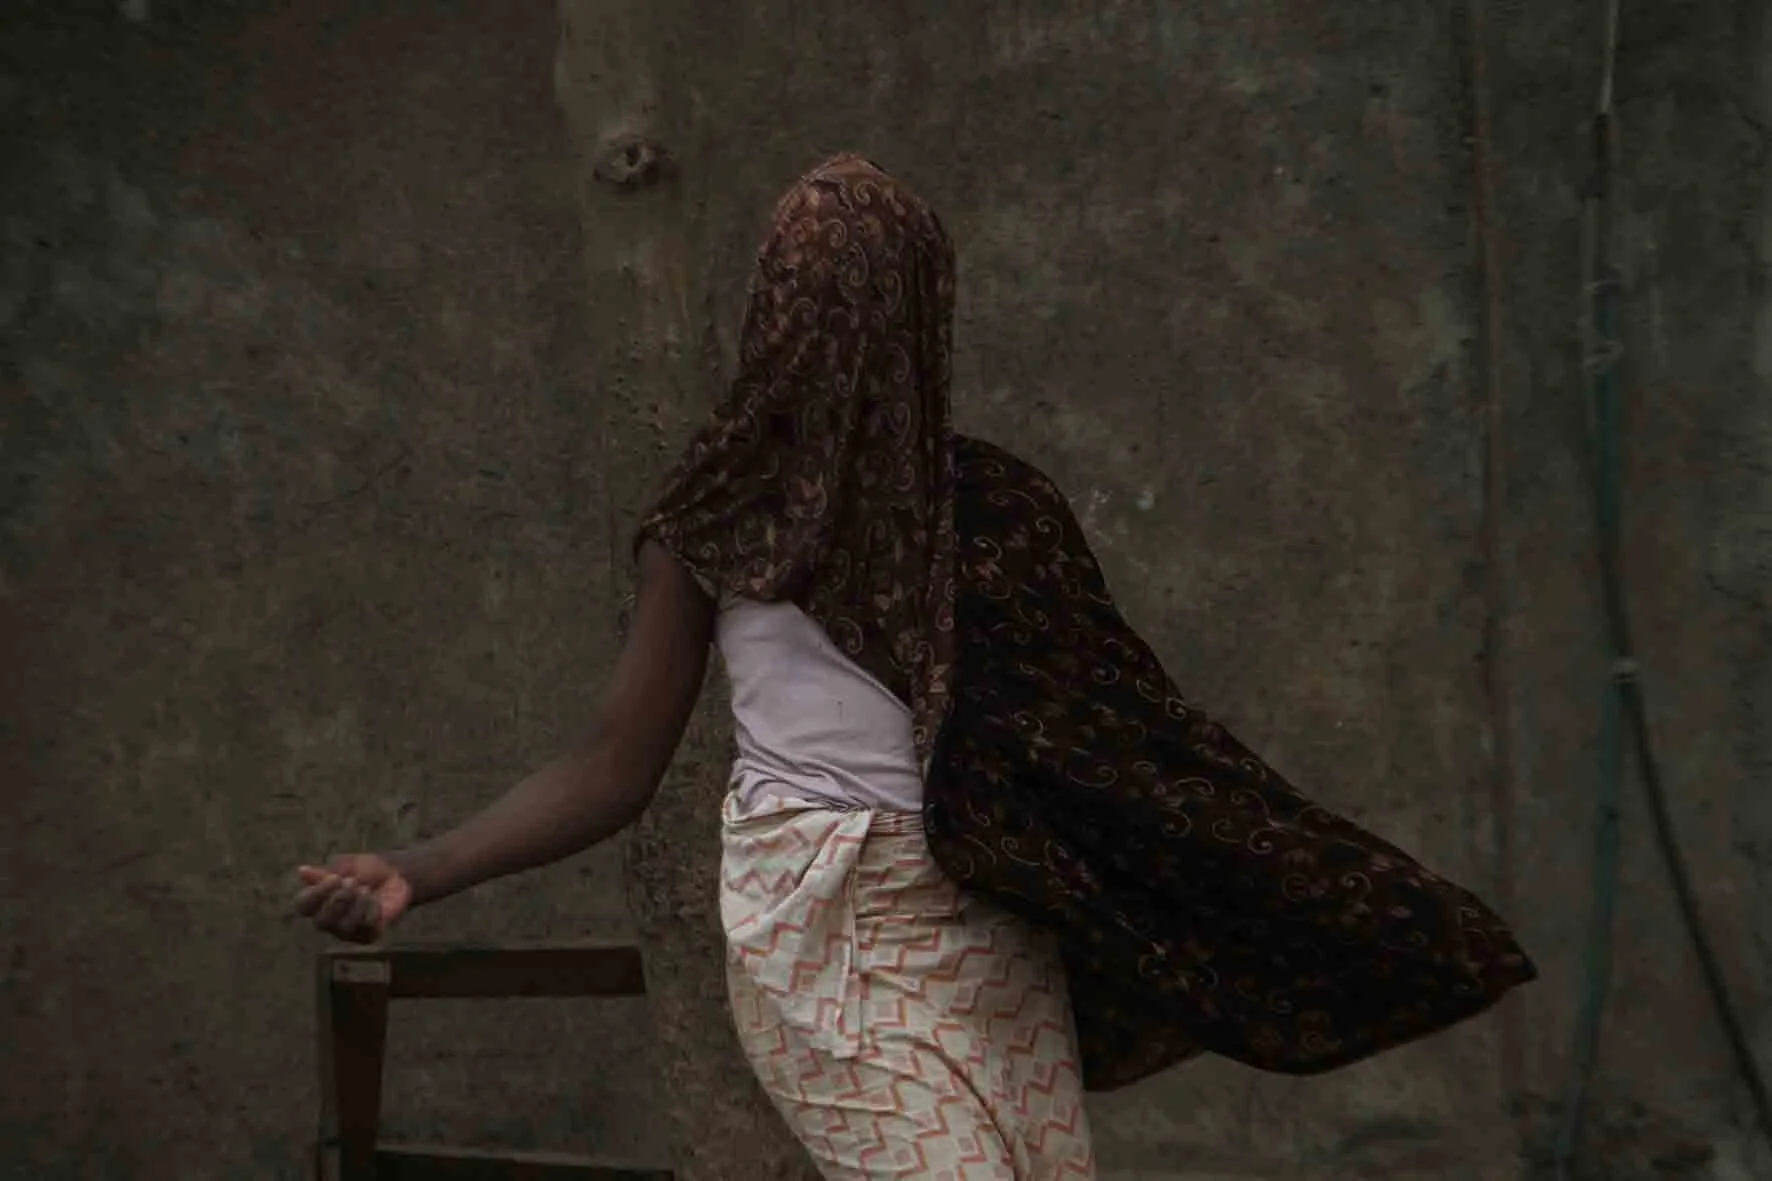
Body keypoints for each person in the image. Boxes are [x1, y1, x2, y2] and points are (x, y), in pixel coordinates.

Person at [294, 155, 1536, 1179]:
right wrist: (418, 869)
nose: (823, 340)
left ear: (912, 316)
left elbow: (1130, 744)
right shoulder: (718, 518)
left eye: (854, 304)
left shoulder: (993, 510)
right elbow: (614, 762)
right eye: (804, 300)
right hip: (819, 926)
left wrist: (1320, 894)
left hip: (982, 928)